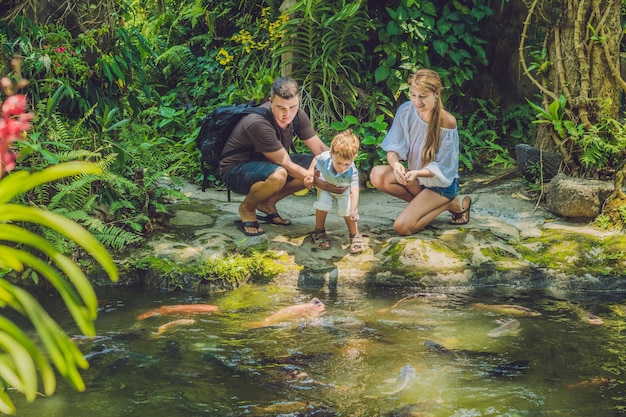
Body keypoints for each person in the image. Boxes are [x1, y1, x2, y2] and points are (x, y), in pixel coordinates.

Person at [219, 76, 345, 236]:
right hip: (236, 170)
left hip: (268, 164)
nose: (287, 114)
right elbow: (283, 161)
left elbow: (320, 148)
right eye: (281, 108)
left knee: (319, 166)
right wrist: (321, 182)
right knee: (280, 174)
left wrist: (343, 165)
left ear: (298, 101)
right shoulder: (257, 122)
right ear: (270, 101)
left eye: (292, 107)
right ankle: (247, 208)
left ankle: (268, 203)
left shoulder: (298, 115)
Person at [369, 68, 471, 236]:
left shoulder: (447, 122)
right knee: (377, 175)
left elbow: (446, 168)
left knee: (402, 227)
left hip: (440, 186)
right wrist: (396, 166)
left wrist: (417, 173)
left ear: (436, 93)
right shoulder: (406, 110)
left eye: (423, 96)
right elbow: (393, 147)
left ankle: (447, 203)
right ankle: (429, 207)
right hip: (418, 181)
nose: (417, 102)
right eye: (413, 95)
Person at [306, 130, 363, 254]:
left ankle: (354, 235)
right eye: (339, 163)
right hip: (326, 186)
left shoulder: (352, 172)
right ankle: (319, 231)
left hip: (344, 190)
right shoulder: (325, 158)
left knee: (347, 210)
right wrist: (310, 174)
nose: (342, 168)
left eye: (347, 164)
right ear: (332, 153)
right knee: (323, 204)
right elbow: (316, 159)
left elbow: (354, 191)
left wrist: (353, 210)